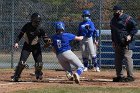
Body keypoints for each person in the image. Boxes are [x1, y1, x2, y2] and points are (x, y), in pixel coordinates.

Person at [11, 13, 49, 82]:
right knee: (22, 62)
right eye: (35, 22)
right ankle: (16, 75)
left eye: (38, 22)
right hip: (27, 46)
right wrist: (16, 42)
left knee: (39, 64)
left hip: (36, 47)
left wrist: (48, 42)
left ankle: (38, 73)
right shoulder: (27, 26)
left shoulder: (41, 29)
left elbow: (45, 39)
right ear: (32, 20)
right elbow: (20, 35)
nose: (37, 23)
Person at [110, 5, 138, 82]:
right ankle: (120, 76)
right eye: (114, 11)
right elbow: (113, 32)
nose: (115, 12)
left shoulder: (127, 18)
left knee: (127, 58)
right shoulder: (113, 20)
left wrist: (130, 35)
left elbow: (135, 28)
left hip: (127, 43)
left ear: (121, 11)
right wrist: (113, 41)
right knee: (118, 60)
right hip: (117, 42)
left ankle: (130, 76)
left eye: (116, 11)